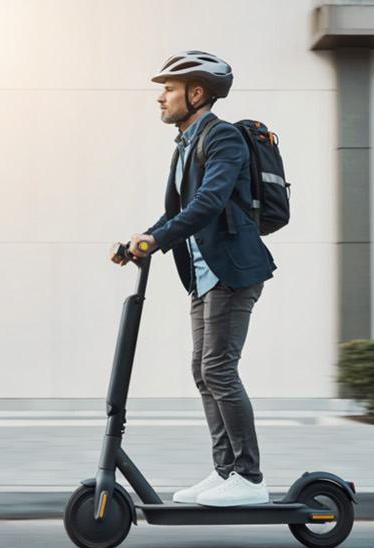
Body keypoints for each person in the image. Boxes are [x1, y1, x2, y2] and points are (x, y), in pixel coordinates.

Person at [110, 51, 277, 507]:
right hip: (205, 276)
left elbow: (208, 202)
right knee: (203, 372)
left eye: (169, 89)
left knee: (218, 369)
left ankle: (249, 477)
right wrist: (139, 242)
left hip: (232, 271)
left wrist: (158, 240)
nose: (160, 98)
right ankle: (226, 472)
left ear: (197, 93)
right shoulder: (185, 144)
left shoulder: (223, 137)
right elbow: (176, 212)